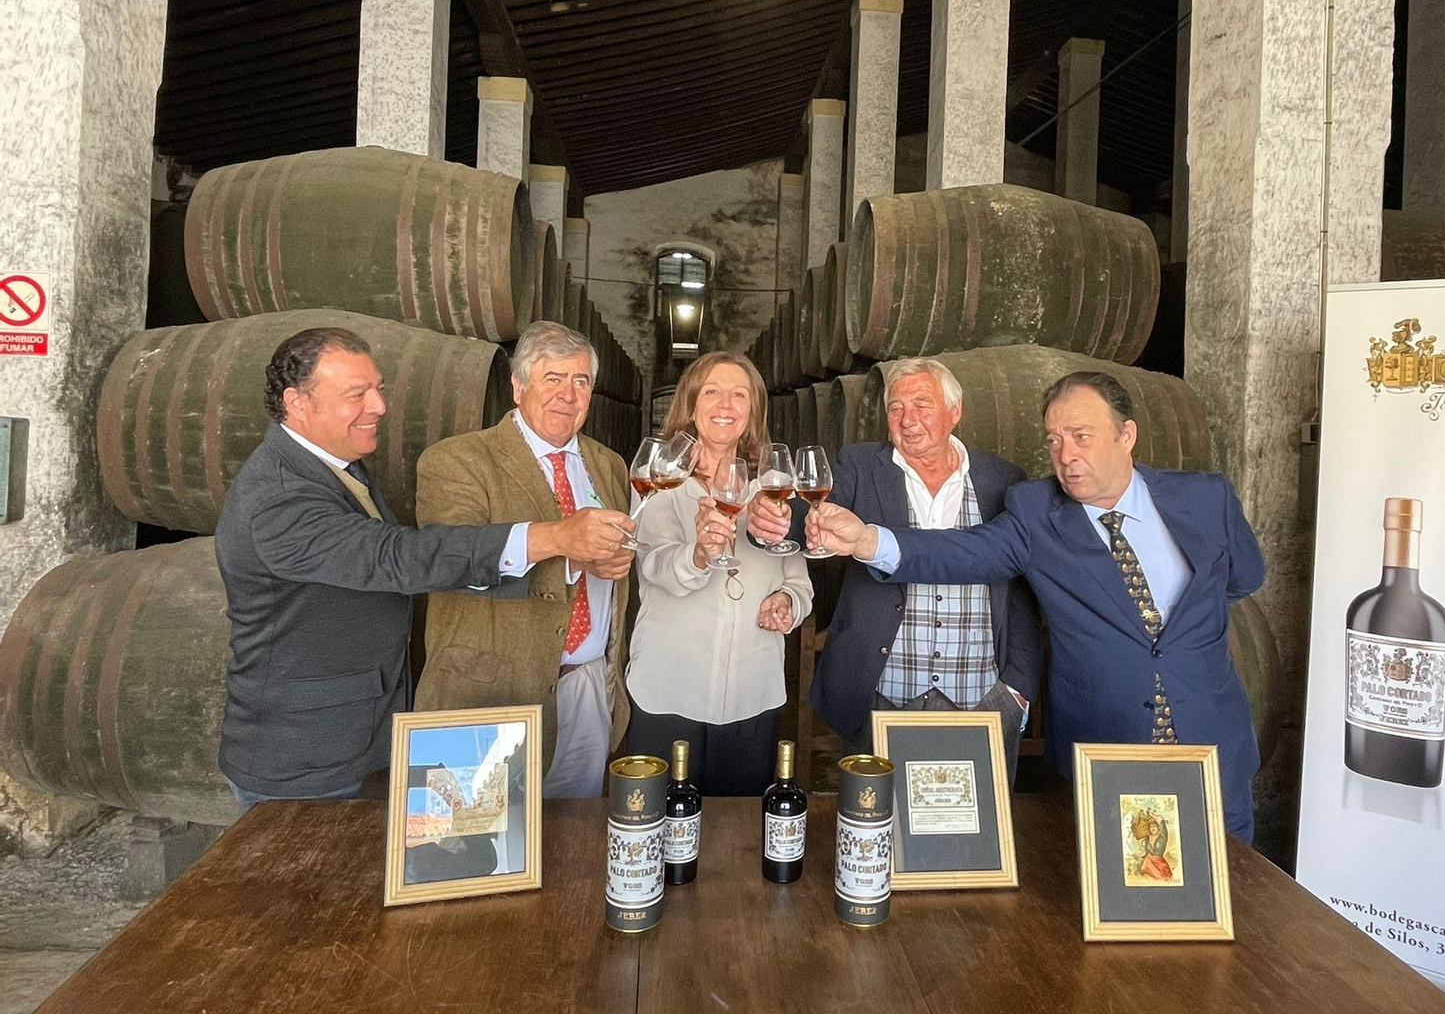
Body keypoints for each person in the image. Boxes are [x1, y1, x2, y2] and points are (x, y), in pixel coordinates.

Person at [808, 370, 1265, 841]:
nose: (1066, 456)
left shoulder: (1206, 498)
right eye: (1054, 440)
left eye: (1081, 437)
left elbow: (1242, 578)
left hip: (1212, 743)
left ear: (1125, 435)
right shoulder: (1036, 514)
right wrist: (867, 539)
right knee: (1119, 893)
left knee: (1232, 887)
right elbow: (959, 553)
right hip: (1105, 748)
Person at [215, 327, 634, 809]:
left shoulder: (336, 469)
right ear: (299, 402)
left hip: (370, 727)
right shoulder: (280, 497)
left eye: (379, 389)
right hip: (309, 750)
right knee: (466, 859)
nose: (379, 406)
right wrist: (557, 539)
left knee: (560, 845)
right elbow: (404, 558)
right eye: (359, 394)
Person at [747, 358, 1041, 783]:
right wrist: (766, 523)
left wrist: (1018, 688)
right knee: (873, 828)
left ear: (955, 412)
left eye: (922, 404)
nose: (908, 419)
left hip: (983, 696)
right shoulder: (861, 465)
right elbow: (803, 513)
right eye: (896, 408)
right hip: (881, 693)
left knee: (974, 835)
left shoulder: (1001, 479)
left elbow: (1022, 591)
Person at [414, 322, 635, 799]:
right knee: (477, 852)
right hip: (491, 693)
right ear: (517, 387)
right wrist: (565, 545)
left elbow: (609, 561)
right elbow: (450, 560)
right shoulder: (457, 460)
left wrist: (606, 564)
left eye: (580, 382)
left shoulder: (610, 464)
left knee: (573, 846)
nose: (567, 394)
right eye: (551, 378)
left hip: (586, 686)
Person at [626, 352, 813, 796]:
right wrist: (699, 554)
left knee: (739, 833)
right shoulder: (662, 481)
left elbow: (798, 576)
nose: (725, 404)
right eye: (711, 392)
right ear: (691, 404)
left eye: (738, 394)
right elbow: (651, 566)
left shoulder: (771, 484)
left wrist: (788, 602)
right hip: (669, 687)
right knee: (663, 827)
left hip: (753, 691)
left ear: (752, 411)